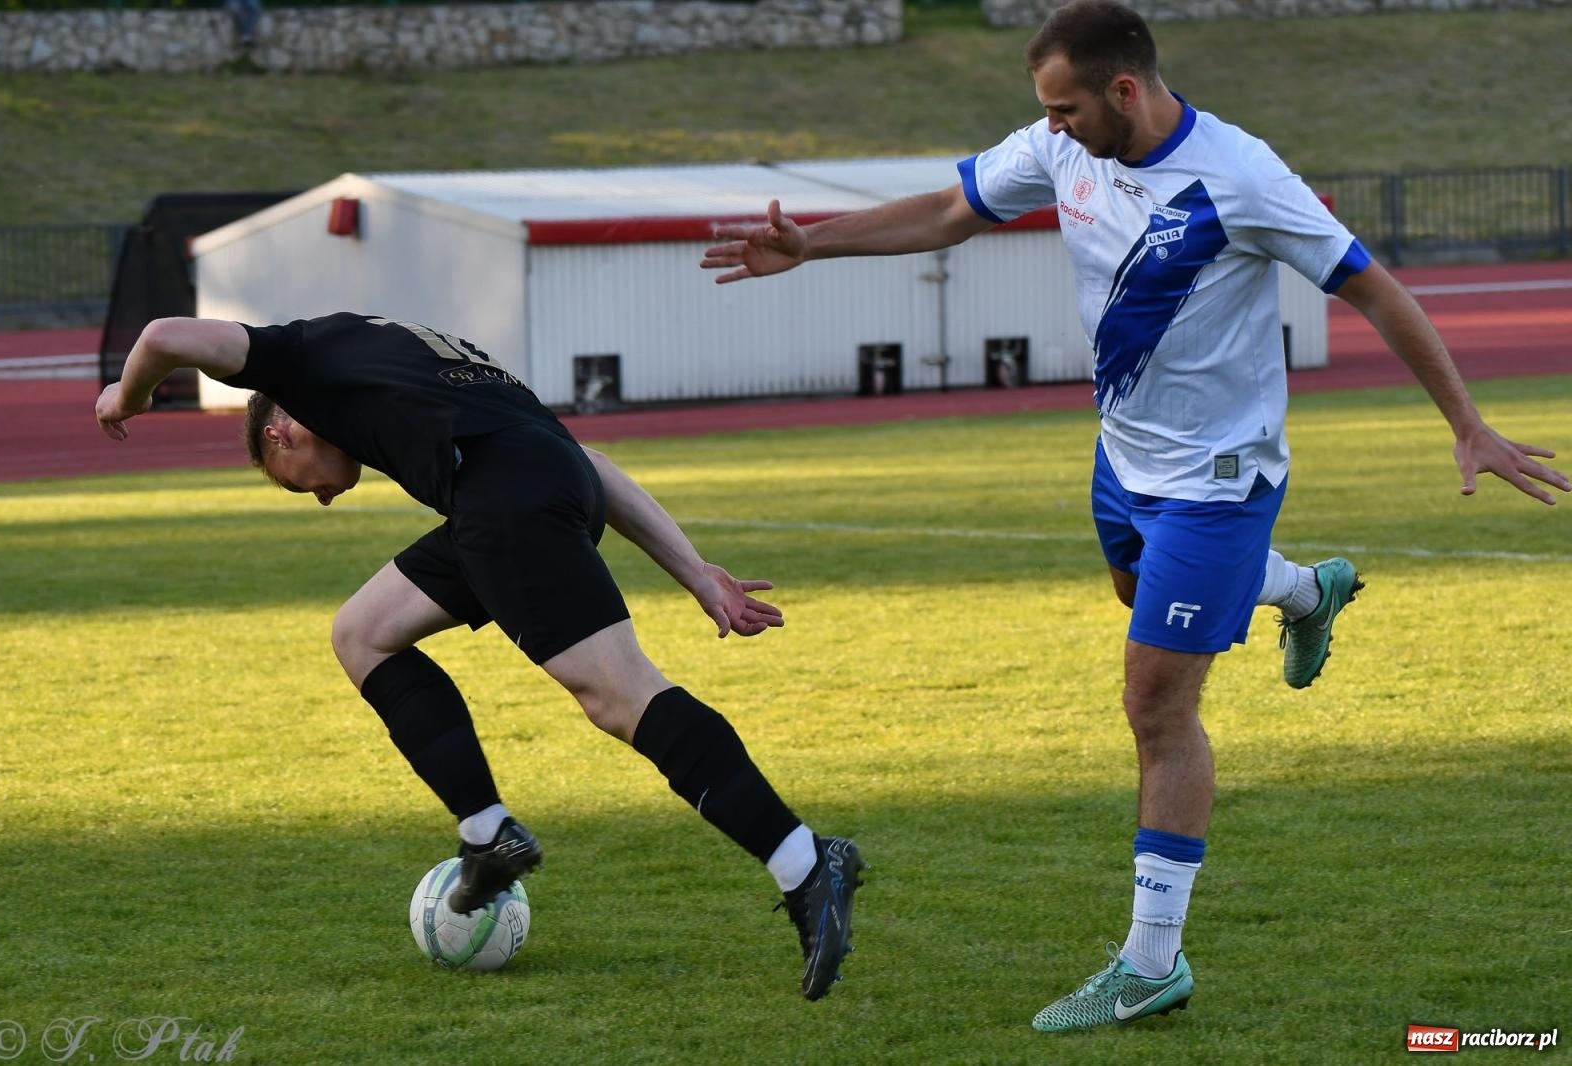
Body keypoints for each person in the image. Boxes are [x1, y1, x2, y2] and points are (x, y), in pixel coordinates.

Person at [700, 0, 1568, 1032]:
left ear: (1123, 89)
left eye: (1065, 109)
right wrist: (816, 246)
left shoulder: (1241, 176)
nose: (1051, 128)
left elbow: (1374, 290)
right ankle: (1305, 589)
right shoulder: (1059, 145)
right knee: (1135, 594)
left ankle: (1152, 960)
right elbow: (950, 210)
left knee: (1154, 706)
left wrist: (1466, 424)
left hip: (1219, 479)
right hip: (1122, 463)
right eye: (1045, 113)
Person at [93, 312, 867, 1001]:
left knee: (620, 697)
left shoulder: (294, 361)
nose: (324, 498)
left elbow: (164, 337)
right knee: (362, 631)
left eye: (298, 488)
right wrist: (695, 572)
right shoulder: (395, 352)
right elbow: (585, 460)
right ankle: (485, 830)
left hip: (503, 500)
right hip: (524, 486)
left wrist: (124, 399)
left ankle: (804, 861)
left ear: (279, 432)